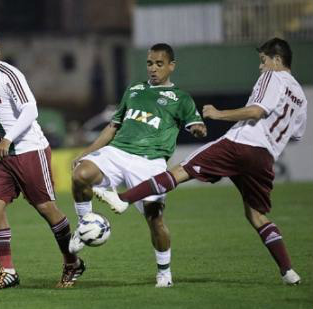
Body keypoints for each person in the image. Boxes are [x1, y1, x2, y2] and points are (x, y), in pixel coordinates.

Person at [107, 38, 305, 285]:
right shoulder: (300, 96)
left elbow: (257, 111)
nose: (261, 67)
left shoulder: (272, 76)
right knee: (257, 216)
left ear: (277, 60)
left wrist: (218, 114)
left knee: (182, 170)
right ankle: (289, 272)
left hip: (240, 144)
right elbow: (296, 134)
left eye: (263, 61)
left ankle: (123, 198)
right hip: (265, 158)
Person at [69, 43, 207, 288]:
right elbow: (113, 127)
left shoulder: (181, 98)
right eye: (149, 63)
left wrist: (198, 128)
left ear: (171, 66)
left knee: (155, 220)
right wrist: (86, 153)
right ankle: (84, 225)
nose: (153, 68)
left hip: (150, 162)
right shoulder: (133, 89)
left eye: (159, 64)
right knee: (81, 174)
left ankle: (164, 273)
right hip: (117, 152)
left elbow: (196, 123)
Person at [0, 32, 84, 289]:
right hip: (2, 155)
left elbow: (31, 109)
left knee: (46, 209)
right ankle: (7, 271)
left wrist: (6, 139)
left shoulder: (9, 75)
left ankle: (72, 261)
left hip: (29, 149)